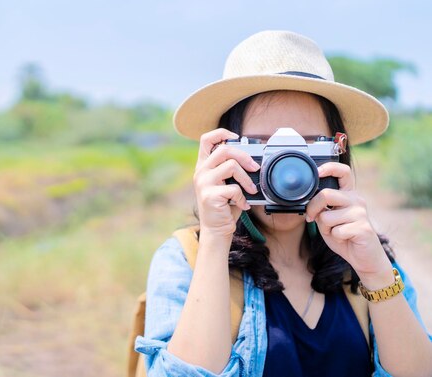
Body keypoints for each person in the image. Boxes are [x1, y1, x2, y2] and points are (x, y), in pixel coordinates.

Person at [133, 31, 432, 377]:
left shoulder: (369, 260)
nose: (288, 171)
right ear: (223, 153)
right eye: (262, 146)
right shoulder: (184, 259)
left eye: (306, 147)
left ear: (338, 152)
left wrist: (375, 273)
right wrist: (216, 238)